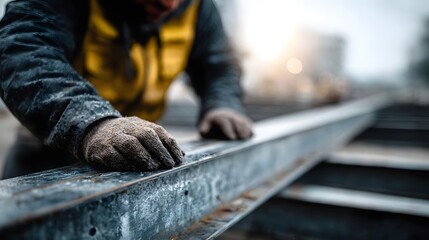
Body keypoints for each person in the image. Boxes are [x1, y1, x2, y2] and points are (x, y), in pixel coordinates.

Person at [0, 0, 252, 178]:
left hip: (139, 152)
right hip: (48, 153)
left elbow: (218, 64)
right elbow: (22, 50)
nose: (169, 5)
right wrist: (90, 122)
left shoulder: (198, 7)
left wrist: (223, 104)